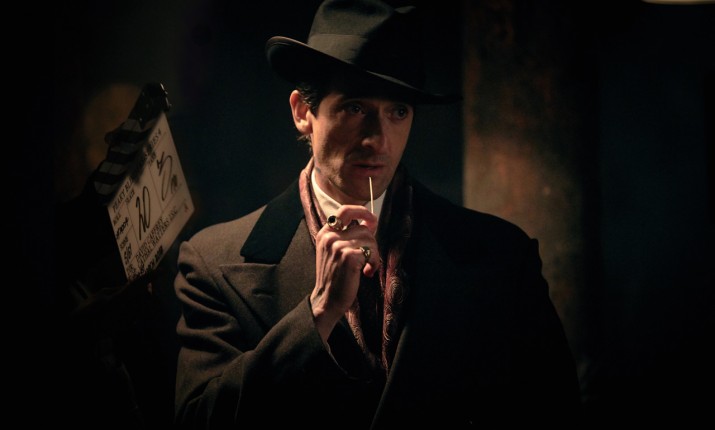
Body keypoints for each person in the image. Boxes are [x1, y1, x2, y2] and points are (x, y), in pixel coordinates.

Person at [173, 0, 582, 428]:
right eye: (355, 108)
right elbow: (198, 419)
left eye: (397, 112)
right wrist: (317, 314)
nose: (378, 139)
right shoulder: (214, 262)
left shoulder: (501, 256)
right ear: (303, 113)